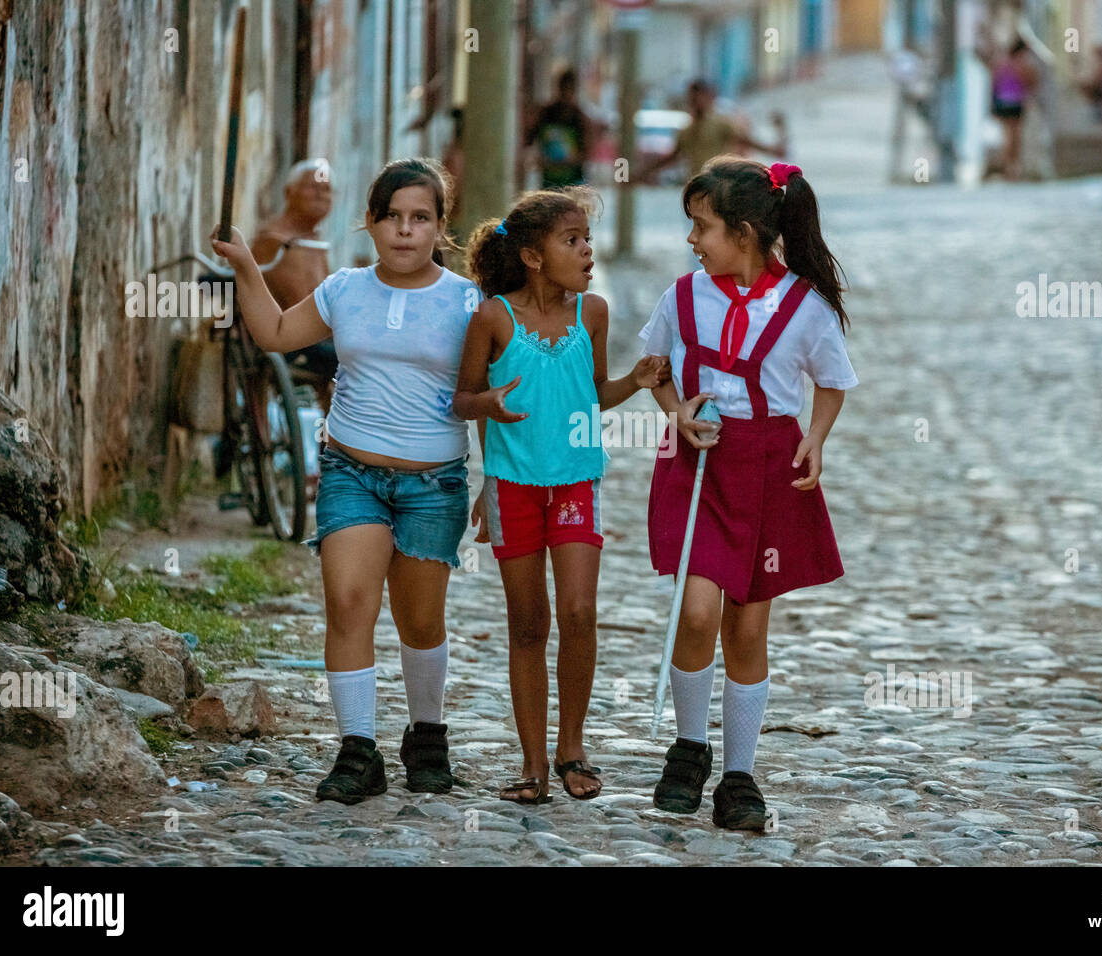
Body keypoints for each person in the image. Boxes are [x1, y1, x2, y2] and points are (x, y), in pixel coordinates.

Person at [211, 158, 478, 805]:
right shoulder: (344, 290)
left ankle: (427, 735)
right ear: (371, 222)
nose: (405, 232)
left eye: (420, 218)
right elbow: (274, 333)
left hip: (432, 484)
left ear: (441, 226)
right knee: (350, 604)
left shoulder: (468, 301)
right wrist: (247, 266)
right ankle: (358, 751)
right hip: (350, 473)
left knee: (420, 620)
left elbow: (483, 396)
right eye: (391, 217)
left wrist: (493, 481)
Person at [639, 157, 858, 831]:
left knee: (748, 624)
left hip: (767, 466)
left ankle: (739, 775)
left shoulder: (804, 307)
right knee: (697, 610)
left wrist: (815, 437)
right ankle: (689, 746)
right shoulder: (681, 298)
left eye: (701, 227)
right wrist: (676, 409)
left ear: (744, 232)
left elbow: (832, 380)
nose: (691, 240)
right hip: (699, 461)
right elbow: (653, 370)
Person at [452, 188, 670, 803]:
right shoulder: (493, 318)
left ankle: (571, 747)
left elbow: (593, 393)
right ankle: (532, 766)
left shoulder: (592, 314)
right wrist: (486, 409)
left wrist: (638, 379)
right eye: (571, 240)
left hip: (577, 481)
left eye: (587, 240)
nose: (587, 250)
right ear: (532, 256)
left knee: (578, 613)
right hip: (513, 487)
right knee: (528, 623)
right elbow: (462, 398)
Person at [251, 158, 339, 416]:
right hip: (289, 338)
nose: (321, 195)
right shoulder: (275, 239)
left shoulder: (313, 241)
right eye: (313, 187)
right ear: (289, 193)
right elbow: (300, 302)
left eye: (326, 189)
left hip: (316, 336)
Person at [641, 79, 788, 183]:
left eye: (700, 98)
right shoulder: (687, 130)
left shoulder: (721, 124)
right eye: (693, 99)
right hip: (697, 185)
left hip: (720, 184)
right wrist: (642, 173)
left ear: (709, 98)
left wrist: (772, 151)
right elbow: (673, 156)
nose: (697, 102)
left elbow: (746, 142)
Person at [525, 69, 594, 189]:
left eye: (569, 89)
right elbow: (528, 142)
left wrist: (566, 161)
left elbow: (587, 153)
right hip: (549, 182)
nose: (566, 95)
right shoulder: (545, 114)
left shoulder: (580, 118)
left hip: (573, 183)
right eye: (563, 89)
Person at [988, 38, 1038, 181]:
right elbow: (1030, 82)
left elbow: (994, 83)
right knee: (1015, 136)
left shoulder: (1000, 63)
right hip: (1015, 102)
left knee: (1007, 136)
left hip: (1002, 102)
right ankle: (1012, 168)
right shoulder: (1021, 64)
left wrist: (992, 103)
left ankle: (1008, 166)